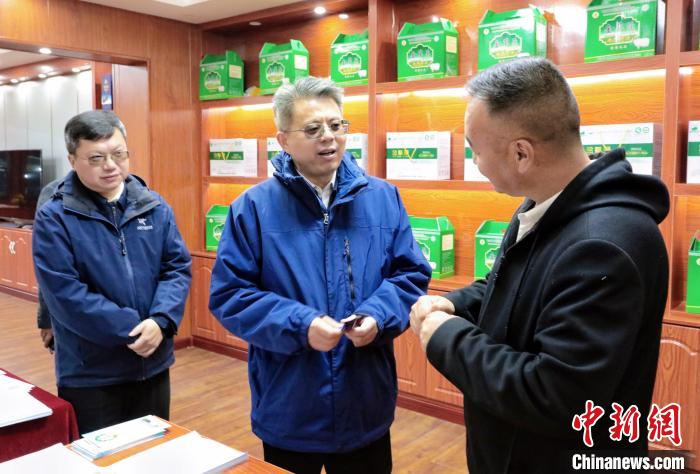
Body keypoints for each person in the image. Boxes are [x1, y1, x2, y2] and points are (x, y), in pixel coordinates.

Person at [410, 58, 669, 473]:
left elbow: (555, 395)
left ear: (521, 153)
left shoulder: (602, 246)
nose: (475, 161)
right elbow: (519, 285)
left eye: (476, 149)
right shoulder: (547, 205)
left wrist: (445, 338)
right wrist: (456, 304)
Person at [209, 76, 431, 474]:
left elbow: (409, 274)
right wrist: (301, 325)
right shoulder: (252, 208)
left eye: (336, 125)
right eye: (312, 129)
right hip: (290, 403)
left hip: (365, 401)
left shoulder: (383, 197)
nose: (328, 136)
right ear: (283, 140)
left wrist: (378, 316)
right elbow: (231, 295)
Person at [32, 110, 192, 434]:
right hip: (91, 372)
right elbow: (65, 294)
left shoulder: (154, 205)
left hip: (153, 363)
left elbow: (176, 268)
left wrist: (161, 321)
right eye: (96, 158)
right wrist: (134, 329)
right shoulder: (55, 217)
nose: (110, 165)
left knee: (153, 451)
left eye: (119, 154)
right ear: (72, 160)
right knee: (100, 457)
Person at [35, 178, 62, 353]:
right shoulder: (54, 193)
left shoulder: (139, 194)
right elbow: (49, 266)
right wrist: (47, 320)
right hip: (70, 318)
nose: (109, 166)